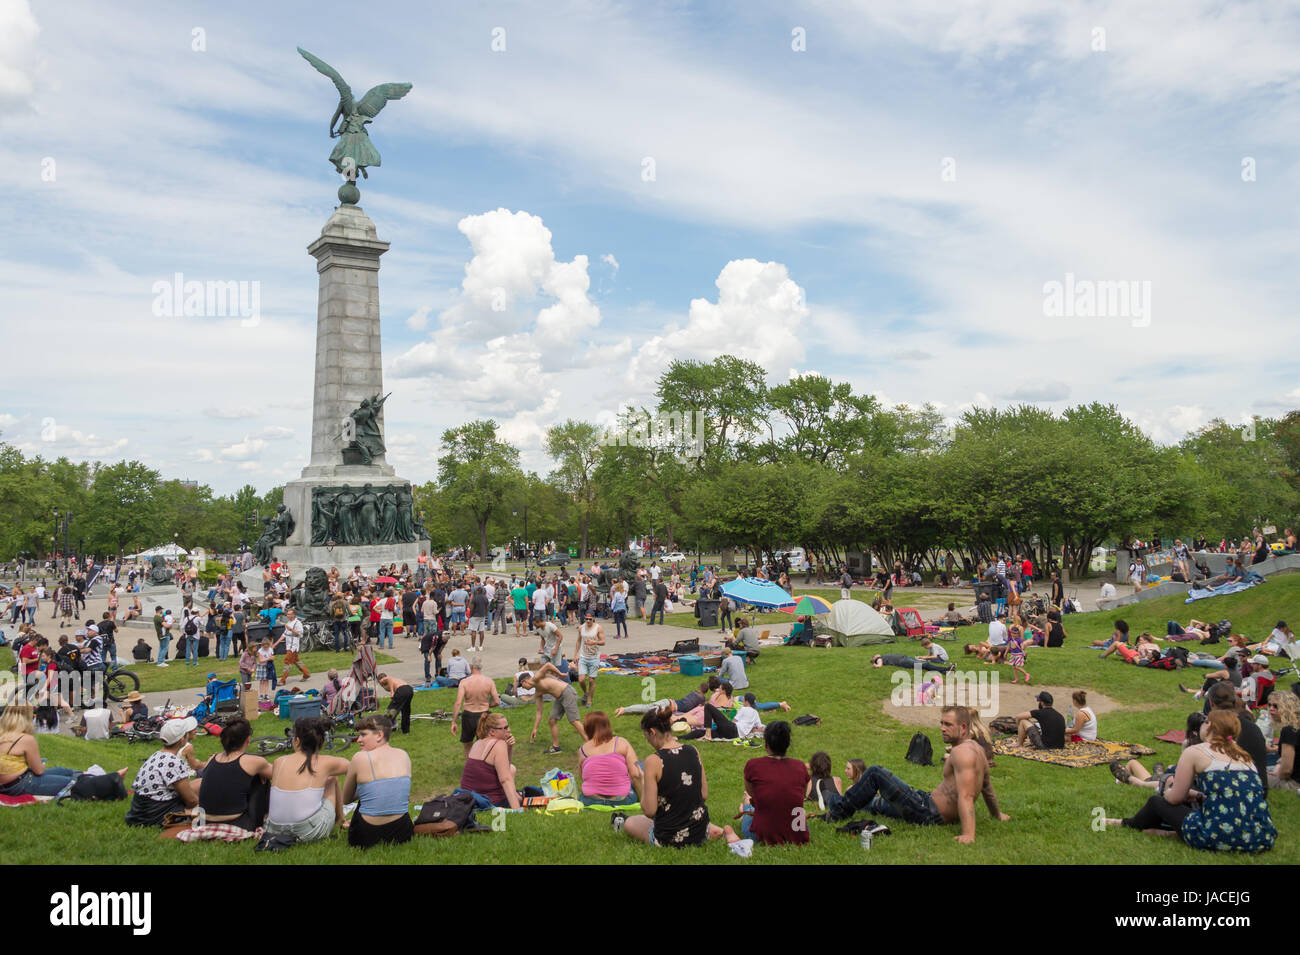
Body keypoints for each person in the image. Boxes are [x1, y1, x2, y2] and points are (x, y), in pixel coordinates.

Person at [826, 706, 1009, 843]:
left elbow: (967, 796)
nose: (942, 728)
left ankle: (837, 811)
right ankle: (838, 799)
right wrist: (997, 814)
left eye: (948, 724)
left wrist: (969, 834)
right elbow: (987, 787)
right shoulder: (977, 749)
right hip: (925, 800)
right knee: (878, 804)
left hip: (926, 811)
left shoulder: (962, 753)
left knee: (875, 772)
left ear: (963, 727)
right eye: (941, 723)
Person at [1106, 710, 1275, 852]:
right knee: (1193, 804)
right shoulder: (1245, 758)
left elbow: (1174, 799)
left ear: (1209, 725)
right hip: (1259, 835)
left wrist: (1167, 790)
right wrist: (1198, 795)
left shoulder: (1196, 751)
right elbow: (1232, 795)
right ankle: (1169, 832)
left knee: (1157, 802)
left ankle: (1125, 823)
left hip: (1218, 834)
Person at [621, 705, 736, 848]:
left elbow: (649, 811)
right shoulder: (693, 750)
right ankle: (714, 829)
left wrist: (642, 780)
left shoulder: (653, 760)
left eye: (647, 737)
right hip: (699, 831)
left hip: (669, 836)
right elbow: (703, 795)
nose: (648, 742)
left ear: (652, 732)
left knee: (630, 822)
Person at [0, 705, 114, 798]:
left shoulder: (3, 735)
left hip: (10, 783)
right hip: (20, 784)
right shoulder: (25, 739)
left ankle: (91, 774)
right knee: (72, 783)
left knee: (60, 770)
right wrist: (42, 765)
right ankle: (108, 781)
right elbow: (38, 771)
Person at [342, 715, 413, 848]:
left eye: (363, 735)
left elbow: (345, 799)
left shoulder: (359, 758)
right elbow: (405, 796)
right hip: (403, 832)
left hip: (367, 835)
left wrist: (364, 790)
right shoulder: (403, 755)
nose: (358, 740)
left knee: (366, 797)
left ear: (379, 735)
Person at [195, 718, 272, 834]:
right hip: (238, 822)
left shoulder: (212, 758)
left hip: (205, 820)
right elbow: (277, 773)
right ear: (247, 739)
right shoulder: (254, 762)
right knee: (261, 778)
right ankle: (265, 817)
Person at [738, 721, 810, 845]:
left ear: (766, 744)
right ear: (788, 744)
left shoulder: (753, 765)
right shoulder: (800, 767)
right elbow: (803, 795)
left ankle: (745, 807)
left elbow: (752, 793)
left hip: (763, 834)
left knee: (749, 809)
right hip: (798, 833)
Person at [124, 717, 205, 826]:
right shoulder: (173, 762)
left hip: (140, 810)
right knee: (207, 810)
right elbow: (191, 801)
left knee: (200, 782)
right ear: (182, 740)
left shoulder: (157, 755)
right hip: (156, 813)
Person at [575, 710, 642, 806]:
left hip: (591, 800)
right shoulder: (621, 742)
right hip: (621, 800)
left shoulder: (583, 750)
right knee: (641, 766)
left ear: (587, 729)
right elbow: (636, 774)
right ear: (607, 725)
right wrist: (643, 798)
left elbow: (584, 777)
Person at [522, 661, 587, 754]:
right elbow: (539, 712)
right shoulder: (538, 692)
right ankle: (556, 747)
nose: (523, 688)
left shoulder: (536, 678)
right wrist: (535, 728)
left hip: (567, 692)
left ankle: (589, 743)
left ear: (525, 681)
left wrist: (560, 674)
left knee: (574, 720)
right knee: (552, 720)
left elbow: (548, 665)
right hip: (560, 697)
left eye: (522, 685)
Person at [459, 712, 522, 809]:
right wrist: (517, 810)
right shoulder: (498, 744)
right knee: (525, 799)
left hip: (467, 800)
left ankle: (517, 796)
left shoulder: (478, 742)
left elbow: (506, 767)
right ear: (492, 732)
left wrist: (509, 748)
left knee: (512, 768)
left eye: (508, 726)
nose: (508, 730)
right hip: (489, 801)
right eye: (504, 728)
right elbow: (505, 779)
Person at [451, 657, 500, 755]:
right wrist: (488, 705)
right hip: (484, 715)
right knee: (485, 743)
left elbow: (458, 703)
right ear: (481, 667)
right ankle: (483, 766)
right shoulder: (489, 681)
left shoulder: (464, 682)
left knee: (467, 744)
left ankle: (470, 767)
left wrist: (454, 721)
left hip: (469, 715)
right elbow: (497, 701)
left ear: (471, 666)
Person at [1266, 692, 1300, 792]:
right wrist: (1279, 765)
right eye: (1269, 705)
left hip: (1294, 784)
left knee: (1253, 777)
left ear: (1288, 708)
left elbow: (1286, 770)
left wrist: (1279, 773)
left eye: (1275, 706)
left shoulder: (1289, 731)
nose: (1271, 708)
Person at [279, 608, 310, 684]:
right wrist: (276, 643)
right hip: (288, 645)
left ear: (293, 615)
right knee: (296, 660)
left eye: (289, 614)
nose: (287, 615)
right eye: (287, 614)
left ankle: (283, 680)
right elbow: (284, 634)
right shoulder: (289, 622)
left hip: (293, 646)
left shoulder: (297, 623)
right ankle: (306, 673)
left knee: (287, 661)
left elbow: (300, 634)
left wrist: (291, 629)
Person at [871, 652, 953, 675]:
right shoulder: (879, 659)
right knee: (925, 665)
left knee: (925, 665)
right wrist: (876, 665)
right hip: (903, 661)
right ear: (875, 659)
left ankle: (945, 671)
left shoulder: (882, 656)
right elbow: (880, 664)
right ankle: (946, 670)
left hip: (905, 658)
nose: (875, 655)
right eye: (874, 656)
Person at [255, 636, 275, 702]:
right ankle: (261, 694)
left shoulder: (270, 649)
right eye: (264, 646)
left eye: (267, 646)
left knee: (267, 681)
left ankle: (266, 694)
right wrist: (268, 658)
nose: (266, 648)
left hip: (268, 667)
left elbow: (272, 657)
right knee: (262, 681)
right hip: (261, 667)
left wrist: (272, 658)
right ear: (262, 645)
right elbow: (260, 660)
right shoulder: (260, 651)